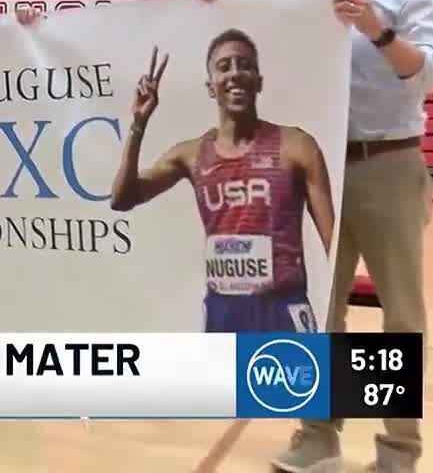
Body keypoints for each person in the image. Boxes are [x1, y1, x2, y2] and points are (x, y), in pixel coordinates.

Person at [193, 0, 433, 473]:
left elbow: (431, 73)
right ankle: (317, 435)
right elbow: (252, 44)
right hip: (316, 171)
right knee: (316, 308)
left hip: (387, 164)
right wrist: (213, 7)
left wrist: (379, 32)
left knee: (400, 314)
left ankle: (398, 450)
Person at [107, 29, 335, 333]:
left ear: (259, 81)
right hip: (223, 312)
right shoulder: (191, 154)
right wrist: (138, 123)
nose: (235, 74)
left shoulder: (297, 146)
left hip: (282, 309)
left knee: (290, 382)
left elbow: (334, 242)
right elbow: (122, 199)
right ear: (211, 87)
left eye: (245, 65)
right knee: (223, 383)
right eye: (224, 66)